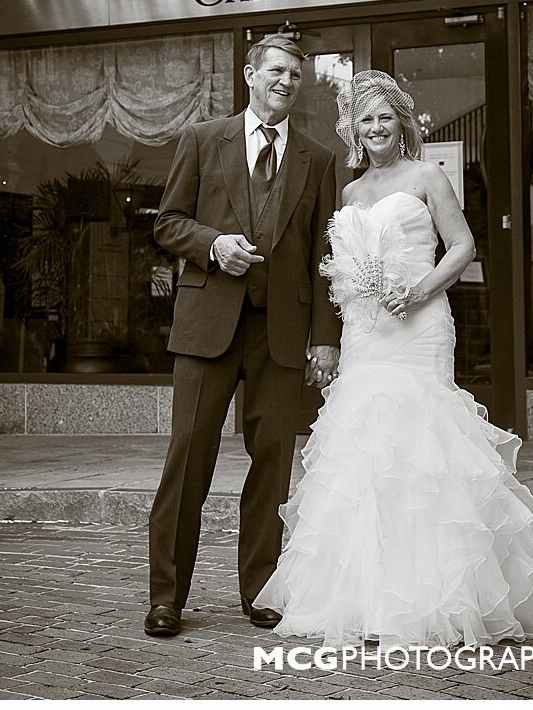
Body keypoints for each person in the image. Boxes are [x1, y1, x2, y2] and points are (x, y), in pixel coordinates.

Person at [254, 69, 533, 647]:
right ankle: (367, 597)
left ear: (401, 123)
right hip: (366, 331)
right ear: (354, 129)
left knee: (423, 446)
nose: (376, 126)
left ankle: (441, 596)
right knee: (366, 451)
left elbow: (463, 246)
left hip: (419, 327)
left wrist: (421, 290)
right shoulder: (352, 191)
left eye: (386, 116)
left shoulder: (428, 176)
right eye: (366, 119)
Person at [146, 35, 341, 637]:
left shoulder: (318, 158)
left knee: (273, 465)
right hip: (208, 326)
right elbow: (167, 223)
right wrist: (213, 245)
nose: (286, 81)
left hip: (281, 333)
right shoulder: (205, 140)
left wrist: (325, 338)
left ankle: (261, 590)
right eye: (276, 71)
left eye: (295, 75)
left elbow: (322, 255)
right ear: (250, 74)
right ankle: (166, 597)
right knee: (188, 459)